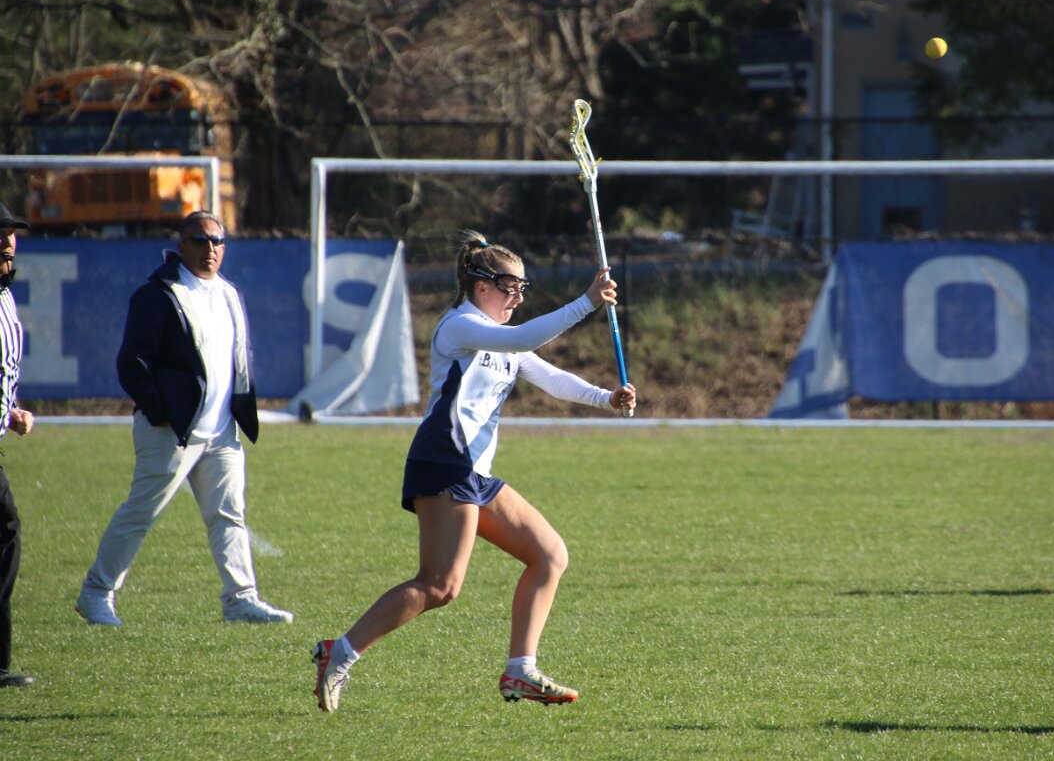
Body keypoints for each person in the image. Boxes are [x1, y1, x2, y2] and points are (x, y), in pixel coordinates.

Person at [311, 230, 636, 712]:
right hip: (444, 460)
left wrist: (605, 397)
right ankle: (338, 652)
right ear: (481, 286)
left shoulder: (502, 338)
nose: (518, 297)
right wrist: (586, 302)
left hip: (474, 472)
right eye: (511, 287)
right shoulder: (460, 326)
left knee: (549, 554)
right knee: (440, 585)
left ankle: (520, 669)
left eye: (523, 288)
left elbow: (550, 377)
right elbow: (523, 338)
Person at [76, 210, 292, 626]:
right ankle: (96, 592)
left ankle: (240, 599)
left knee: (229, 515)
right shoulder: (158, 294)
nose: (210, 249)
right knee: (141, 513)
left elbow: (238, 358)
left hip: (221, 432)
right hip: (171, 431)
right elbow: (132, 364)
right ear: (181, 246)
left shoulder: (228, 293)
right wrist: (162, 412)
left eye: (217, 241)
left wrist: (238, 410)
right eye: (200, 240)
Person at [0, 204, 35, 688]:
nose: (8, 242)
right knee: (5, 532)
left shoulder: (6, 294)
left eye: (11, 234)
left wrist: (9, 409)